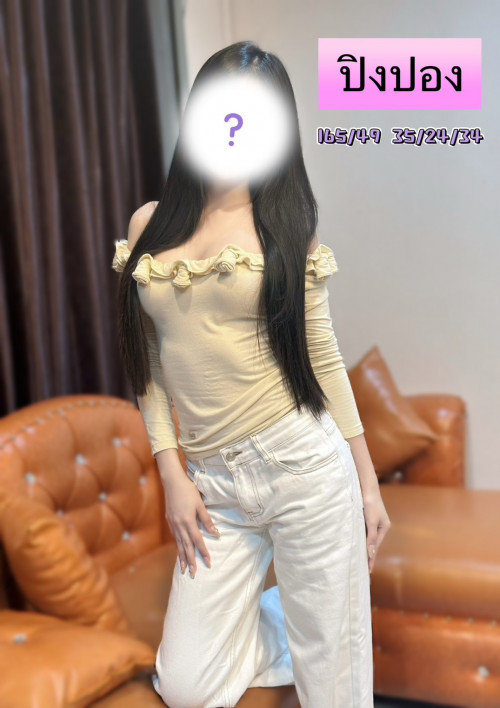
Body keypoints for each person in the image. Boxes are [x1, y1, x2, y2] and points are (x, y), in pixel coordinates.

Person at [112, 41, 390, 708]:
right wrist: (172, 474)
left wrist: (368, 483)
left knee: (334, 688)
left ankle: (327, 624)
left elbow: (322, 357)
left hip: (301, 465)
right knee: (186, 684)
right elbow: (149, 364)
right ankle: (312, 619)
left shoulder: (289, 226)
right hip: (214, 487)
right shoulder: (151, 224)